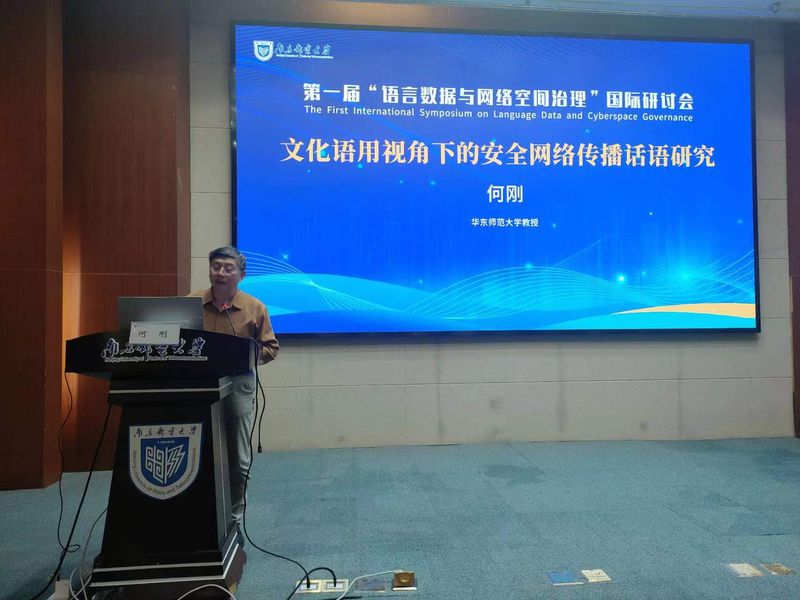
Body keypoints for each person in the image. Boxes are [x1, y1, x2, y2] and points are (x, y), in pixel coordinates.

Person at [191, 246, 279, 528]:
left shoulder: (255, 307)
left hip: (239, 381)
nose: (221, 273)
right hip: (199, 382)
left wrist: (246, 355)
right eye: (216, 266)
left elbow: (271, 348)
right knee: (197, 451)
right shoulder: (191, 302)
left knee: (237, 457)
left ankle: (234, 519)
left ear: (241, 275)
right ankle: (198, 515)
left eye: (228, 268)